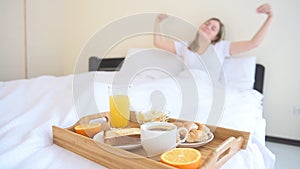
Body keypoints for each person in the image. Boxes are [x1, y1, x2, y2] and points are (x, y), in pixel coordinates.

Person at [153, 3, 273, 69]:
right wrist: (157, 22)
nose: (208, 27)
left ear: (215, 37)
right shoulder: (186, 46)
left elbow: (254, 43)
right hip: (184, 85)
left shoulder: (221, 47)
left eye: (213, 28)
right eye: (207, 24)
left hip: (205, 90)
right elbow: (158, 43)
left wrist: (270, 17)